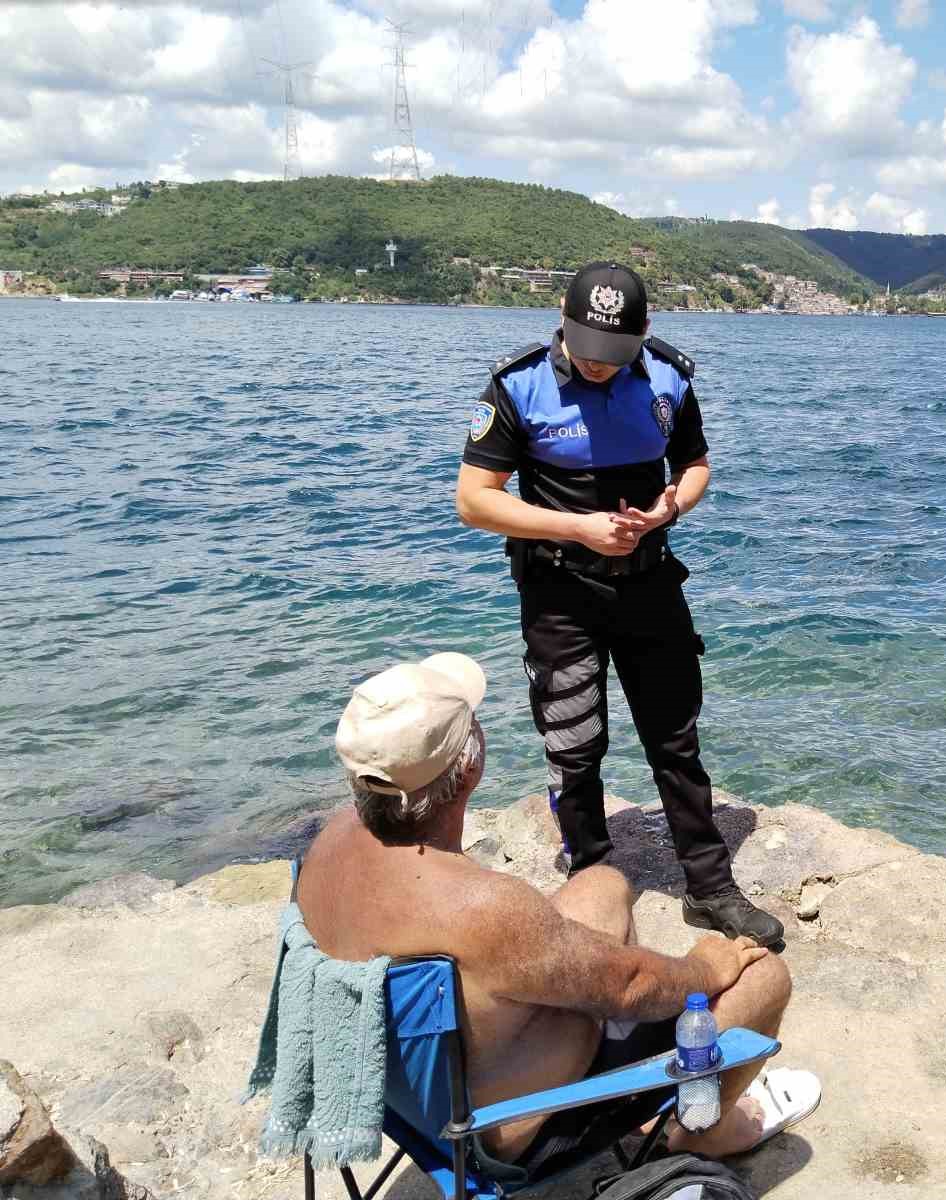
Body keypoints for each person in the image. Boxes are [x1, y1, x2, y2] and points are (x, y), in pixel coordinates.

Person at [298, 651, 819, 1180]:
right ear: (470, 766)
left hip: (405, 1096)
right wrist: (708, 967)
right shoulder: (481, 906)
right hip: (499, 1130)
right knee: (762, 978)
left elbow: (567, 958)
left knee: (603, 884)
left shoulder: (328, 846)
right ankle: (698, 1133)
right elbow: (633, 985)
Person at [455, 262, 782, 947]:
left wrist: (669, 508)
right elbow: (475, 500)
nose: (599, 366)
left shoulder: (667, 378)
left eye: (614, 354)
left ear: (643, 334)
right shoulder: (517, 385)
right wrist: (577, 527)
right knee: (574, 746)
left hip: (649, 584)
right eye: (586, 351)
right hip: (558, 591)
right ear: (564, 325)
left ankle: (709, 888)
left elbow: (694, 465)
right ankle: (592, 883)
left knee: (675, 741)